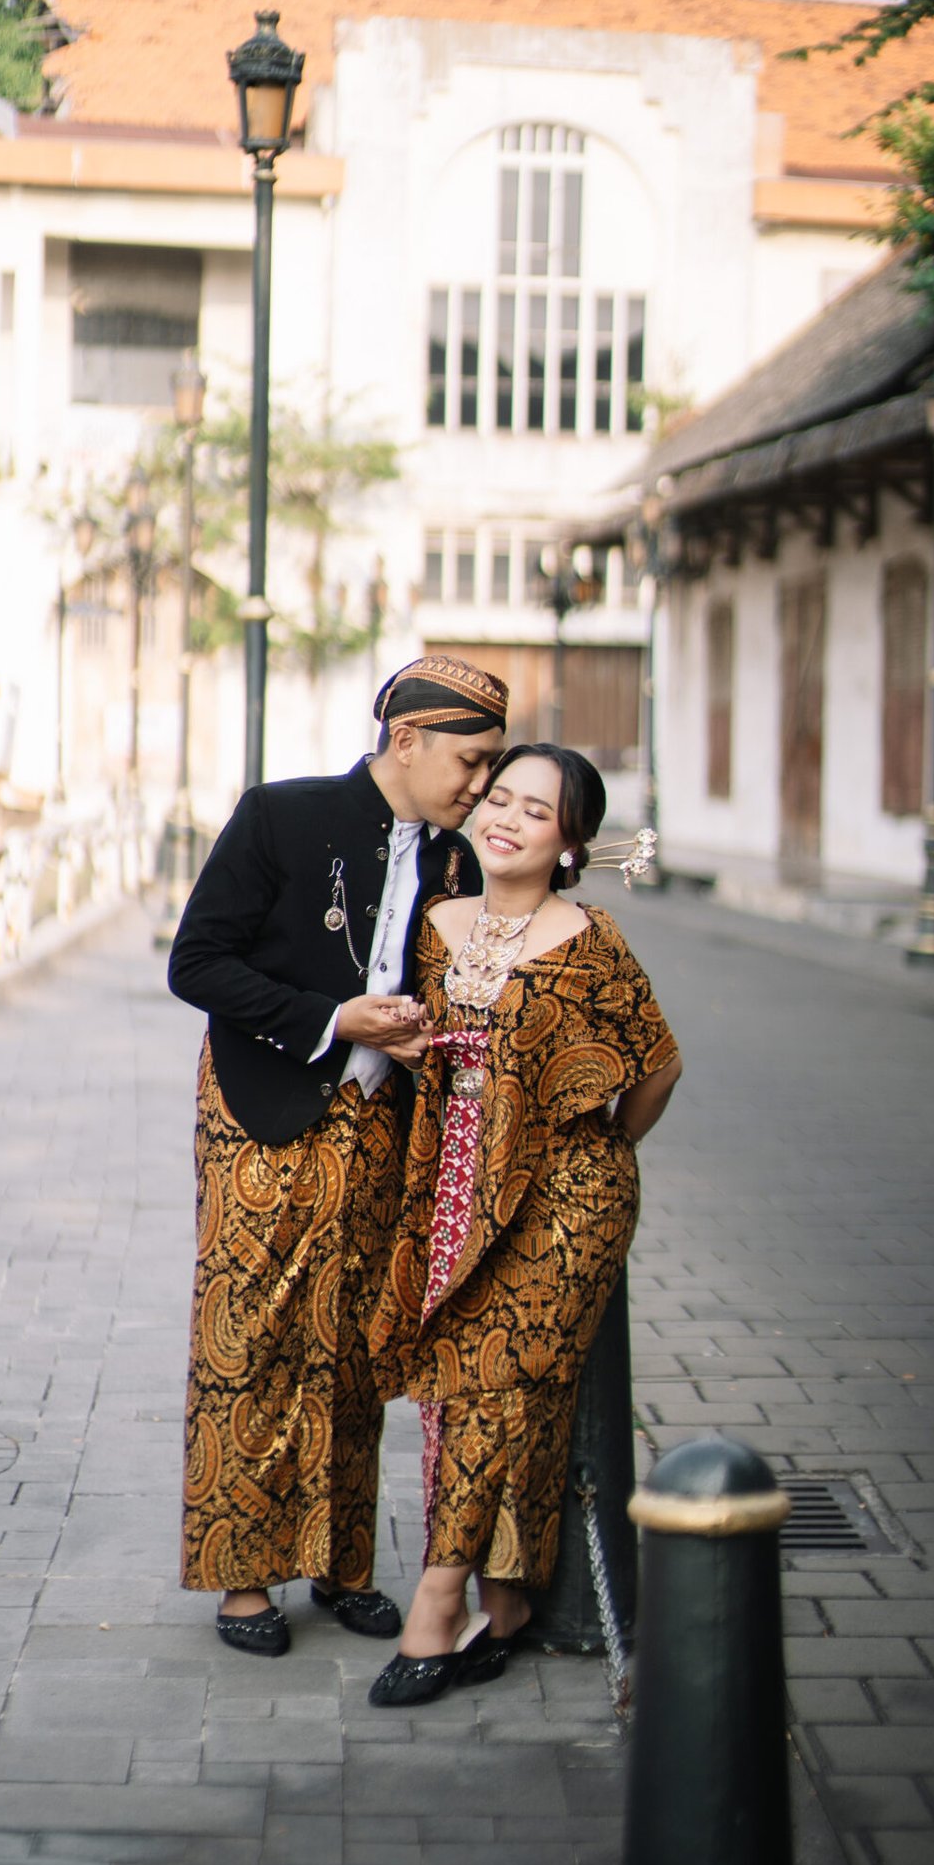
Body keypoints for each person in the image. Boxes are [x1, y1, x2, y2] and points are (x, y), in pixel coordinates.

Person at [167, 656, 509, 1656]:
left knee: (358, 1344)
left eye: (493, 765)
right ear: (407, 739)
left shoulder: (457, 860)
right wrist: (333, 1018)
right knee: (249, 1340)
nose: (481, 783)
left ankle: (343, 1565)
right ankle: (243, 1580)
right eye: (471, 761)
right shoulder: (280, 815)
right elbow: (197, 963)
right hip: (262, 1111)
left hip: (380, 1125)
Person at [365, 743, 681, 1705]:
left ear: (570, 843)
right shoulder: (436, 924)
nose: (505, 818)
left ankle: (437, 1605)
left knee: (500, 1383)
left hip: (567, 1201)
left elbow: (657, 1064)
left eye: (535, 811)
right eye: (499, 798)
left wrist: (598, 1152)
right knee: (472, 1392)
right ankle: (504, 1603)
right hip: (456, 1188)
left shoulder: (590, 940)